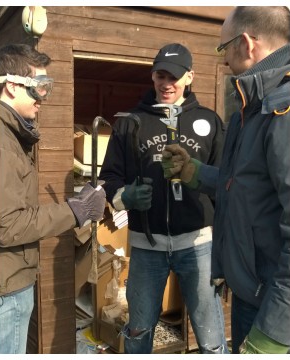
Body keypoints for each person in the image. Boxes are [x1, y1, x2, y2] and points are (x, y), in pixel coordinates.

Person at [161, 6, 290, 354]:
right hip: (250, 291)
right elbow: (247, 189)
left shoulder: (282, 109)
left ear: (246, 44)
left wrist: (274, 335)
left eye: (223, 48)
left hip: (269, 307)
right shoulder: (250, 107)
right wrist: (195, 172)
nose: (223, 61)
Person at [99, 43, 227, 354]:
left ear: (190, 77)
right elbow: (109, 177)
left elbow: (227, 181)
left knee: (209, 337)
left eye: (174, 76)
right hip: (146, 246)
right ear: (153, 76)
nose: (166, 83)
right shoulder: (130, 122)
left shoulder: (209, 122)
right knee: (138, 330)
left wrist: (225, 246)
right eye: (160, 75)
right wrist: (123, 196)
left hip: (198, 244)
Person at [0, 44, 106, 354]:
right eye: (39, 88)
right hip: (4, 290)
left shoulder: (7, 135)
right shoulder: (1, 142)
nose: (44, 98)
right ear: (12, 84)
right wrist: (76, 210)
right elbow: (8, 226)